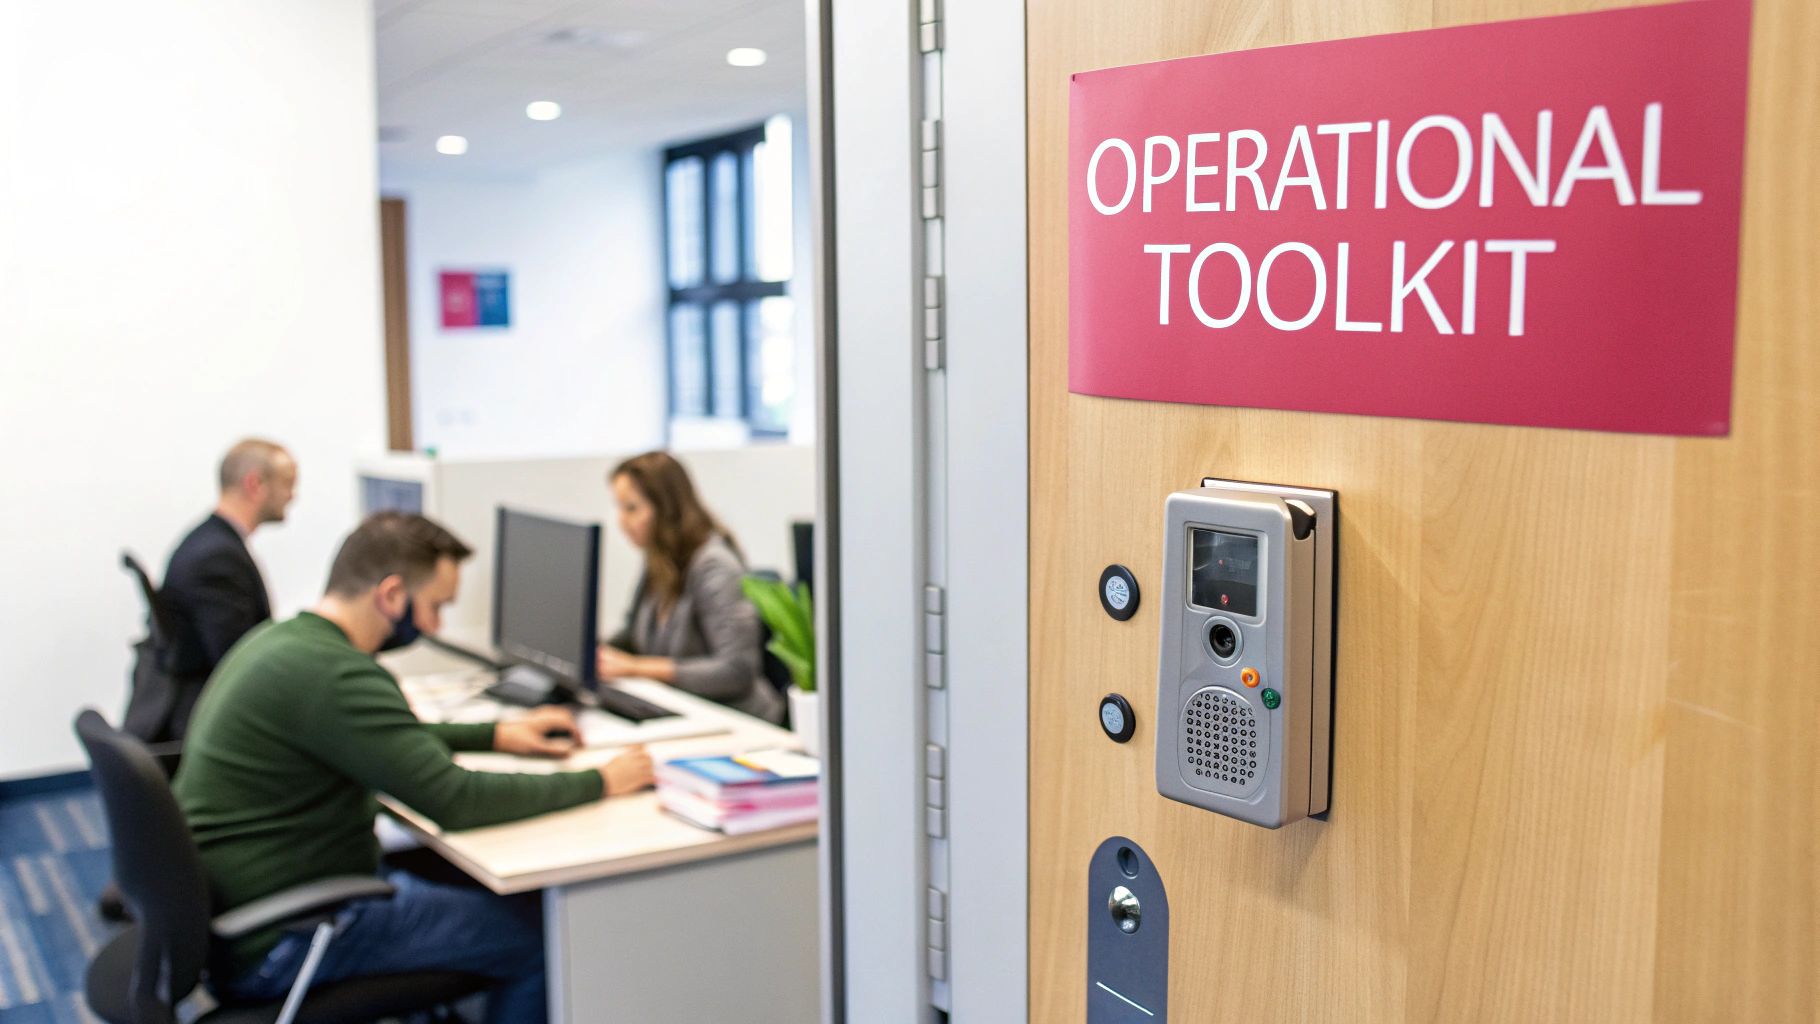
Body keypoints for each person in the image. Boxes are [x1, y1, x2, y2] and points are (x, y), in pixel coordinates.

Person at [173, 512, 653, 1024]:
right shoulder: (337, 673)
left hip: (252, 912)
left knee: (472, 889)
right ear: (392, 595)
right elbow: (456, 799)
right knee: (541, 939)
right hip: (287, 938)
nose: (435, 627)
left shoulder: (288, 644)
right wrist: (601, 781)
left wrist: (495, 735)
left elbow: (378, 738)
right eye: (435, 606)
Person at [125, 438, 297, 743]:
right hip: (209, 722)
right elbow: (239, 660)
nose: (292, 496)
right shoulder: (217, 557)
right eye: (287, 484)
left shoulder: (207, 541)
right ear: (255, 484)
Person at [597, 452, 785, 724]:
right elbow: (632, 635)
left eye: (632, 508)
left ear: (666, 508)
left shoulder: (715, 567)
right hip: (686, 710)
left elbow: (737, 670)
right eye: (620, 507)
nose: (622, 521)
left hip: (737, 721)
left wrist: (637, 668)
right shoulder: (660, 558)